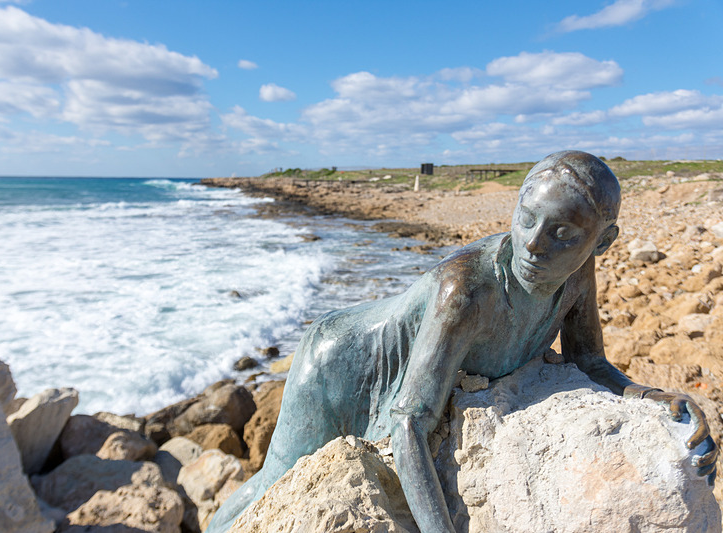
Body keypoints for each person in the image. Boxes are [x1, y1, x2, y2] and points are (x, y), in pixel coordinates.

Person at [207, 151, 718, 533]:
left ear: (601, 243)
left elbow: (589, 361)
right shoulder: (466, 292)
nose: (534, 244)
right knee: (274, 480)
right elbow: (410, 423)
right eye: (526, 218)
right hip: (341, 364)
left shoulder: (576, 275)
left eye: (562, 233)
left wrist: (654, 400)